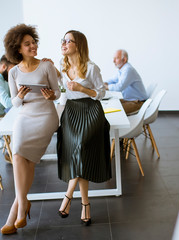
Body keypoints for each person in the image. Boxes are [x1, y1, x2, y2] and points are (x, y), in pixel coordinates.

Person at [0, 24, 60, 235]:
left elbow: (58, 93)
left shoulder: (46, 66)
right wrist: (21, 96)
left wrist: (51, 95)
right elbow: (14, 103)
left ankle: (16, 211)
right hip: (25, 115)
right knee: (18, 155)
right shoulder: (13, 72)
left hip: (45, 116)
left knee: (29, 159)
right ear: (18, 49)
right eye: (28, 44)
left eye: (34, 42)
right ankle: (22, 206)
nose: (33, 46)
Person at [56, 30, 111, 226]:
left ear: (78, 45)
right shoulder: (62, 68)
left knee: (80, 149)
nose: (63, 43)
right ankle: (85, 204)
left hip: (90, 112)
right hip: (71, 113)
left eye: (67, 41)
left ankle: (68, 196)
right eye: (62, 40)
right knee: (80, 156)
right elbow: (62, 94)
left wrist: (82, 89)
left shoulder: (91, 68)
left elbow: (101, 93)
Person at [104, 49, 148, 115]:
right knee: (109, 105)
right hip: (130, 100)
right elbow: (113, 80)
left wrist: (106, 87)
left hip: (138, 102)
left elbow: (119, 87)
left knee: (113, 111)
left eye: (116, 58)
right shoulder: (122, 70)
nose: (113, 61)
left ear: (124, 60)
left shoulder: (128, 70)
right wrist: (104, 83)